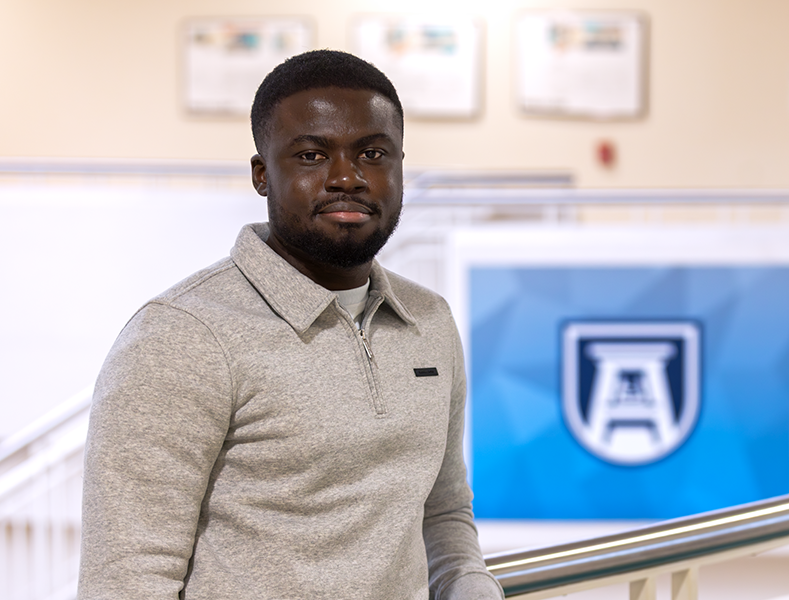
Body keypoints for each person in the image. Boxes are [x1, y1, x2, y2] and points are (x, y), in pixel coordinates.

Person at [77, 49, 504, 600]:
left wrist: (469, 583)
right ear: (262, 174)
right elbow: (127, 579)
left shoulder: (429, 320)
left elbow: (441, 508)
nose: (346, 178)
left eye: (372, 153)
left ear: (399, 167)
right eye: (311, 155)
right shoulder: (182, 335)